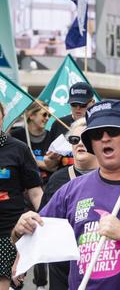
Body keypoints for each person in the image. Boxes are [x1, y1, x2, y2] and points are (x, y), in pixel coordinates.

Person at [11, 100, 120, 289]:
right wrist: (20, 229)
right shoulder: (72, 190)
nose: (105, 138)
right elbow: (31, 238)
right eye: (97, 134)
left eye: (113, 131)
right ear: (91, 144)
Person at [40, 118, 98, 290]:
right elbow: (43, 223)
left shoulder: (111, 178)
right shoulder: (57, 179)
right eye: (74, 140)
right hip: (62, 266)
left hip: (98, 263)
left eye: (84, 139)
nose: (79, 144)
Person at [0, 102, 43, 290]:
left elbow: (35, 192)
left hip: (9, 233)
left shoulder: (18, 148)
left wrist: (45, 224)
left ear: (3, 117)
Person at [46, 82, 96, 169]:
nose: (78, 108)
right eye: (74, 104)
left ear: (92, 102)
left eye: (82, 105)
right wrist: (51, 159)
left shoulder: (98, 124)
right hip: (65, 177)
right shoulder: (58, 124)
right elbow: (50, 165)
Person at [10, 101, 58, 182]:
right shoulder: (16, 135)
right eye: (44, 114)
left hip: (46, 184)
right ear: (31, 115)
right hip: (22, 185)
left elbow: (54, 167)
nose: (47, 118)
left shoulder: (52, 136)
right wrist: (43, 164)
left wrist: (33, 161)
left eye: (49, 115)